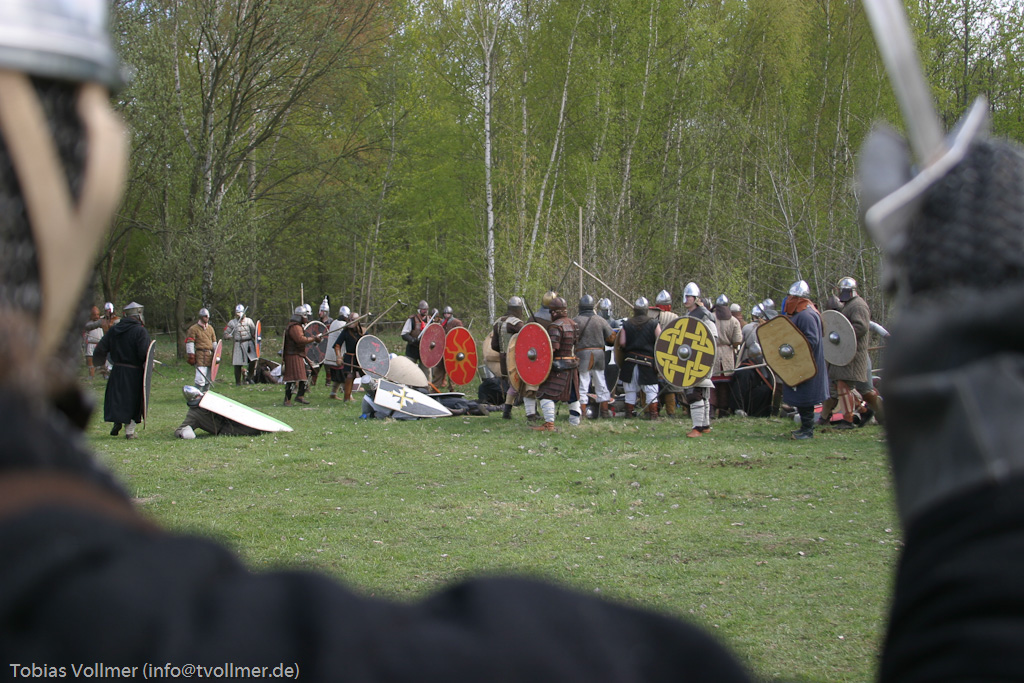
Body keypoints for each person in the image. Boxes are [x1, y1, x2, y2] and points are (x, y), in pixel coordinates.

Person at [819, 278, 883, 429]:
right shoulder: (849, 304)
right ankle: (863, 412)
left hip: (854, 353)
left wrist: (841, 335)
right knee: (841, 385)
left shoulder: (858, 305)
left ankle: (849, 420)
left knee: (853, 388)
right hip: (844, 352)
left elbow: (860, 327)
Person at [779, 280, 829, 439]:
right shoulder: (802, 312)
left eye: (791, 297)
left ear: (798, 298)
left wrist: (793, 349)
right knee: (801, 396)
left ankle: (808, 431)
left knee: (806, 397)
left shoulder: (806, 315)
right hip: (800, 362)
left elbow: (811, 340)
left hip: (807, 363)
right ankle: (804, 428)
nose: (788, 299)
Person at [94, 302, 151, 439]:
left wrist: (99, 364)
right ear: (138, 315)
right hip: (134, 372)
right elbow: (143, 353)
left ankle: (117, 421)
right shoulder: (140, 331)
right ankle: (129, 432)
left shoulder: (114, 330)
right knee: (132, 400)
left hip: (117, 369)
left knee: (118, 398)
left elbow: (102, 347)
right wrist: (148, 362)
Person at [531, 296, 581, 431]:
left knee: (545, 393)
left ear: (553, 312)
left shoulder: (555, 326)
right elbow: (575, 343)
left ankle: (549, 424)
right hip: (572, 365)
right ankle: (575, 422)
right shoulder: (574, 324)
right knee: (573, 395)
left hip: (558, 366)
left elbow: (552, 349)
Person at [681, 282, 718, 437]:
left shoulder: (704, 315)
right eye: (685, 296)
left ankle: (697, 428)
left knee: (694, 391)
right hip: (690, 357)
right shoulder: (689, 316)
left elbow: (712, 338)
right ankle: (705, 425)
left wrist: (702, 356)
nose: (686, 299)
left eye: (689, 296)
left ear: (696, 298)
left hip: (700, 358)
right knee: (702, 391)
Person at [616, 296, 662, 419]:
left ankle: (629, 414)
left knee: (630, 390)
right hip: (647, 362)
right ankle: (653, 415)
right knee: (651, 390)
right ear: (646, 310)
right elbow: (661, 341)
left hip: (629, 362)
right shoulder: (653, 323)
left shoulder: (627, 323)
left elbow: (622, 343)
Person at [574, 294, 615, 419]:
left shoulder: (575, 321)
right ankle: (604, 412)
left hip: (583, 355)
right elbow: (612, 338)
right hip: (598, 355)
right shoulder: (600, 320)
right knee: (601, 383)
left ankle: (583, 413)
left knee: (583, 384)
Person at [173, 386, 265, 439]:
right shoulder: (193, 415)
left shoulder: (210, 398)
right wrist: (184, 433)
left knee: (257, 423)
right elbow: (178, 430)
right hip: (226, 429)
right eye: (197, 397)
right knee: (254, 430)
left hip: (235, 419)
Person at [490, 295, 526, 419]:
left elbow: (494, 345)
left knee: (513, 385)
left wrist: (503, 352)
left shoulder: (498, 322)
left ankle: (507, 411)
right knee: (522, 384)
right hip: (515, 360)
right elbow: (526, 339)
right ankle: (530, 412)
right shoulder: (517, 324)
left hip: (503, 359)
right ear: (518, 309)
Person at [282, 305, 322, 406]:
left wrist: (314, 339)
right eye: (305, 316)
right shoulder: (295, 327)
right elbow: (300, 340)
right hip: (293, 355)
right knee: (292, 378)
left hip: (299, 354)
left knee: (307, 372)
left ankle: (300, 396)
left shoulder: (298, 326)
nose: (306, 318)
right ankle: (287, 400)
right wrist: (314, 338)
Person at [651, 289, 682, 418]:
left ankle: (655, 410)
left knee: (657, 383)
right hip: (671, 352)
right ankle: (671, 411)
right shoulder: (675, 317)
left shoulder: (652, 316)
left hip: (656, 351)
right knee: (669, 381)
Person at [223, 303, 258, 386]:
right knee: (237, 364)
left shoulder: (249, 321)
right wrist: (227, 336)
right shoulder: (232, 323)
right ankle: (238, 382)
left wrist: (257, 338)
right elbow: (225, 333)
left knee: (253, 360)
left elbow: (254, 332)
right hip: (238, 344)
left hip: (249, 344)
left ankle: (249, 377)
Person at [185, 307, 217, 391]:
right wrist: (191, 355)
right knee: (200, 377)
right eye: (205, 316)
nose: (207, 318)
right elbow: (190, 342)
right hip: (200, 355)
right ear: (201, 317)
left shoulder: (210, 328)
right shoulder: (193, 328)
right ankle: (197, 393)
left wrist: (216, 354)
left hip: (210, 355)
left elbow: (214, 342)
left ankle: (206, 393)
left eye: (208, 316)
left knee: (208, 377)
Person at [400, 300, 431, 367]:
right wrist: (413, 340)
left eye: (426, 309)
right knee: (409, 368)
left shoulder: (430, 321)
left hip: (425, 350)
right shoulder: (412, 320)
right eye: (423, 309)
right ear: (419, 310)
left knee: (426, 371)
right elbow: (404, 334)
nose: (425, 311)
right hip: (413, 348)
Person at [82, 305, 103, 378]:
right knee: (90, 360)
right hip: (91, 344)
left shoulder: (102, 322)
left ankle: (104, 375)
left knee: (102, 360)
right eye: (94, 315)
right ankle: (91, 376)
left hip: (100, 344)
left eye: (97, 314)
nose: (96, 316)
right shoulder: (88, 324)